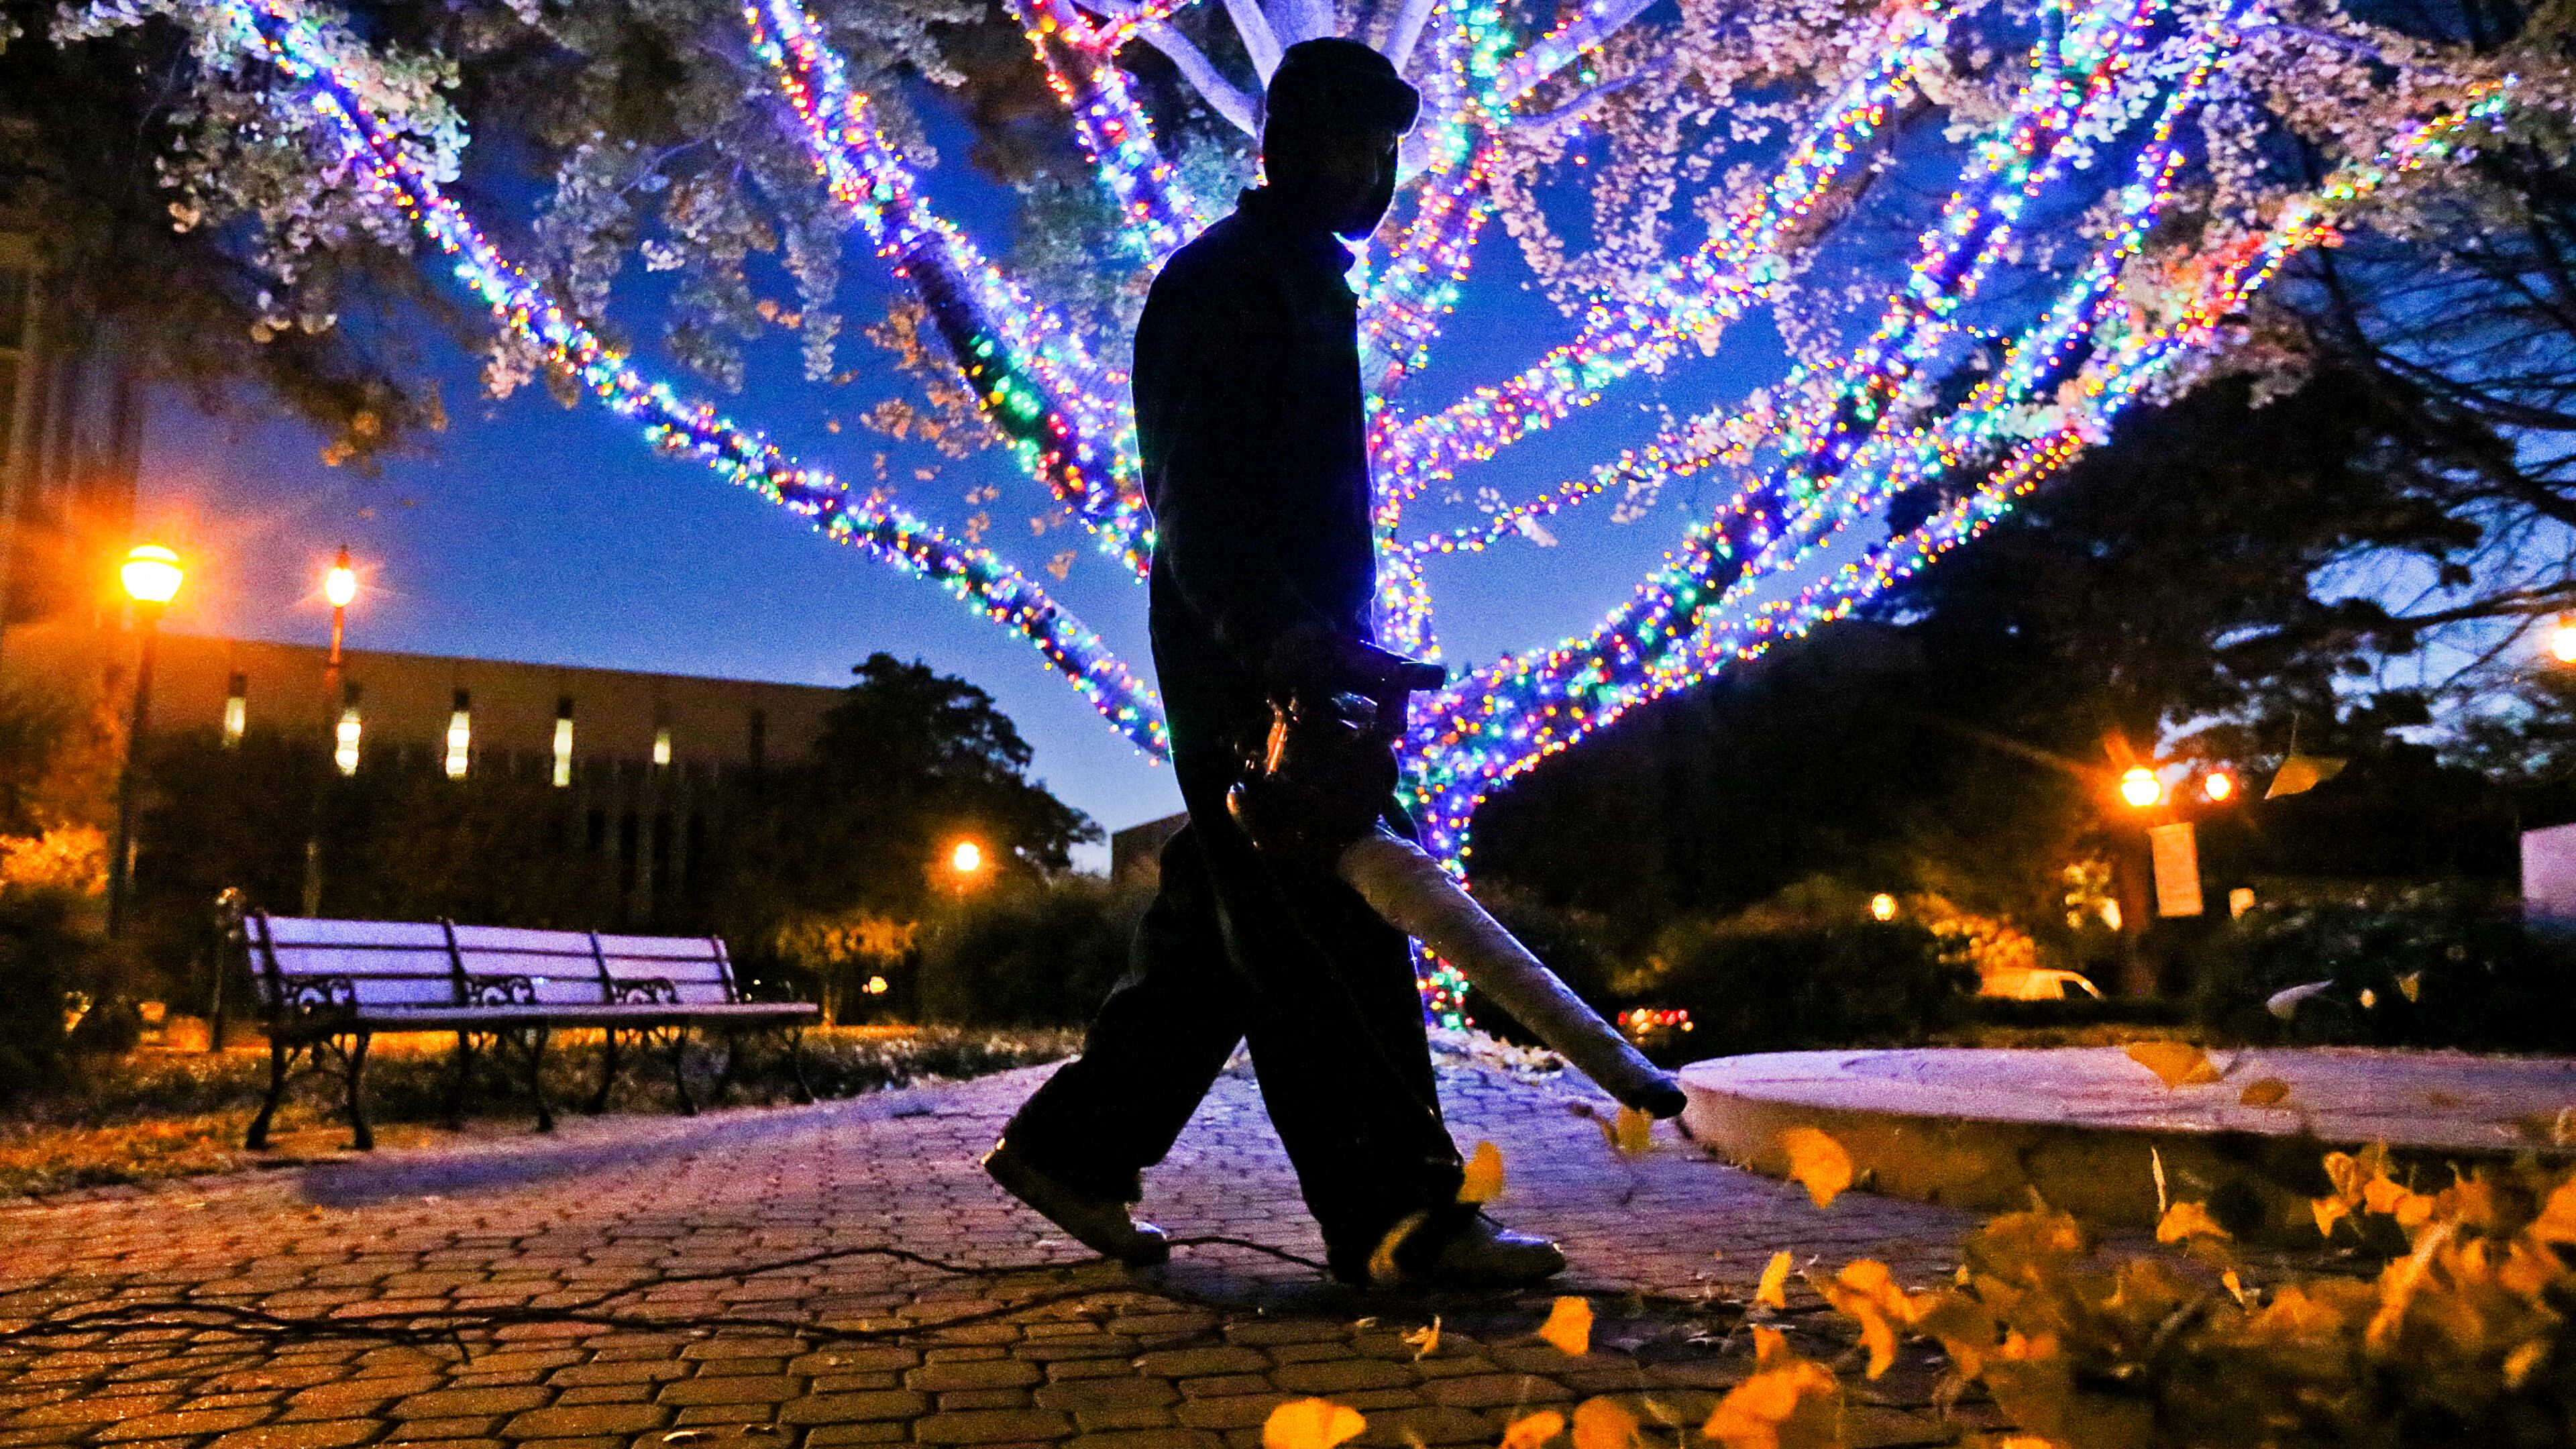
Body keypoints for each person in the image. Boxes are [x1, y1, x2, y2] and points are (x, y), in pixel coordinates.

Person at [982, 37, 1566, 1291]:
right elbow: (1199, 501)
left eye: (1388, 151)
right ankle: (1399, 1218)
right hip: (1257, 663)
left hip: (1297, 654)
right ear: (1285, 147)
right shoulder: (1230, 283)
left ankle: (1077, 1150)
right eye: (1352, 145)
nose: (1375, 175)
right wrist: (1287, 646)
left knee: (1223, 926)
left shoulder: (1300, 281)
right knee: (1331, 934)